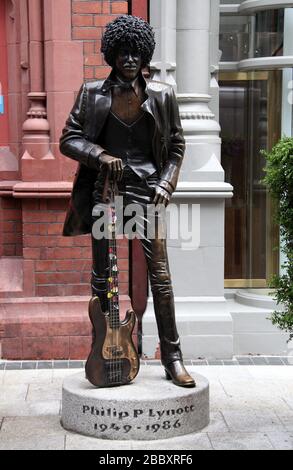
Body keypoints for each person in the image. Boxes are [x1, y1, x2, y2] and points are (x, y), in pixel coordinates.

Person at [60, 15, 195, 388]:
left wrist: (166, 184)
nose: (129, 58)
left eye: (136, 52)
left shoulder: (163, 95)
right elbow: (68, 138)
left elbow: (178, 146)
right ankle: (104, 350)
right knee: (102, 276)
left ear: (144, 54)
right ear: (112, 54)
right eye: (122, 52)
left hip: (147, 188)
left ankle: (173, 357)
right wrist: (99, 155)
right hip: (105, 188)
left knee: (160, 276)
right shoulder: (92, 93)